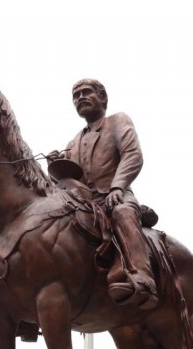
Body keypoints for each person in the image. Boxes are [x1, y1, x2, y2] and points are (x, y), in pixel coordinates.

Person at [48, 78, 158, 309]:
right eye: (75, 96)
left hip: (113, 195)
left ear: (103, 97)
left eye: (86, 92)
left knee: (123, 212)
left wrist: (118, 187)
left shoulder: (118, 121)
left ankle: (142, 277)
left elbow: (132, 155)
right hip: (84, 204)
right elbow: (66, 180)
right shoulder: (72, 143)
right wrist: (56, 165)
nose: (80, 98)